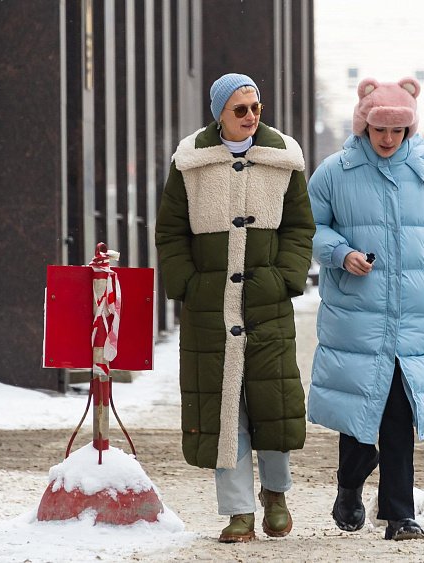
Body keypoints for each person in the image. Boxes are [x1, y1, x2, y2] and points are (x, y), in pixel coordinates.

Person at [155, 73, 314, 543]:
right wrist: (190, 286)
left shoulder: (283, 158)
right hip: (210, 309)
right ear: (219, 113)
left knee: (274, 403)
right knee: (223, 409)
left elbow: (299, 227)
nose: (250, 116)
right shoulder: (190, 161)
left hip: (267, 304)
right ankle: (238, 511)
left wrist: (284, 278)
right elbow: (170, 232)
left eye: (256, 107)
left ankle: (276, 494)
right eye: (240, 109)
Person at [306, 77, 424, 541]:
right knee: (358, 413)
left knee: (398, 413)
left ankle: (400, 514)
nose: (389, 139)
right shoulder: (335, 172)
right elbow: (309, 226)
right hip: (355, 312)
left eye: (398, 130)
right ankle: (349, 486)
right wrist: (340, 253)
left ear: (410, 128)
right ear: (364, 126)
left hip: (408, 313)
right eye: (380, 130)